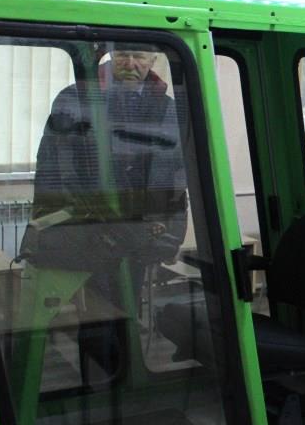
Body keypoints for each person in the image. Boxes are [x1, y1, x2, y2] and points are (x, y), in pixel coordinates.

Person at [22, 44, 188, 373]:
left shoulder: (167, 108)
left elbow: (174, 174)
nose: (131, 63)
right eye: (124, 54)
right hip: (90, 230)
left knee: (127, 306)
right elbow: (55, 165)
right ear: (111, 56)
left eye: (140, 56)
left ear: (153, 60)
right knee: (95, 311)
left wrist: (170, 233)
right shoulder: (75, 98)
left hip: (139, 232)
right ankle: (97, 379)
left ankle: (122, 376)